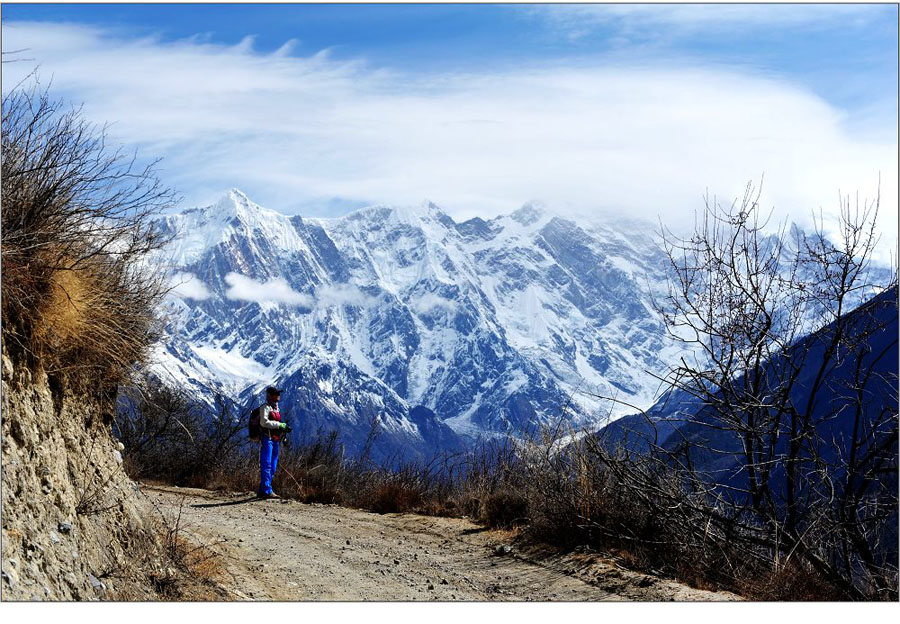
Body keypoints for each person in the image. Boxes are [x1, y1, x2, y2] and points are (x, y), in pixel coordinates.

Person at [257, 386, 290, 499]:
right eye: (276, 394)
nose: (278, 396)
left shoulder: (276, 409)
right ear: (270, 395)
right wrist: (279, 425)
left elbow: (274, 423)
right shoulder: (265, 408)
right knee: (267, 465)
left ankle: (263, 489)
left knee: (273, 466)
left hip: (275, 440)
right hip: (267, 439)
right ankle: (267, 490)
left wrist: (283, 428)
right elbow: (264, 422)